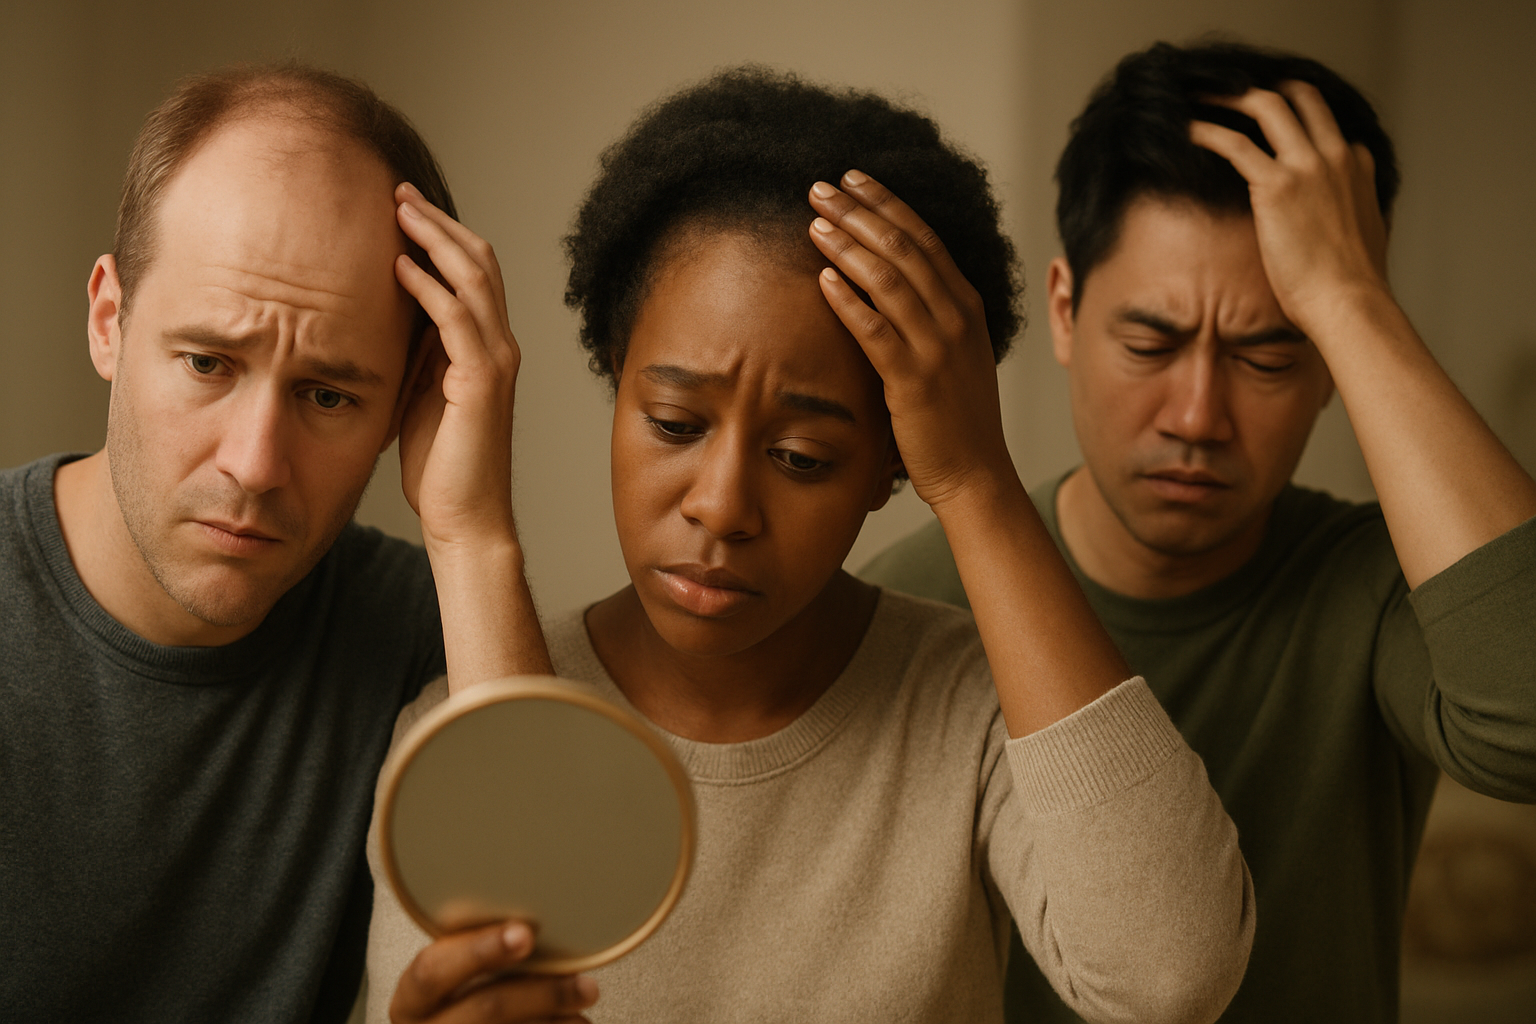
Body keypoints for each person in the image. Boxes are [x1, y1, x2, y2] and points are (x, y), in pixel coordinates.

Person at [364, 67, 1255, 1024]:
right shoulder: (456, 723)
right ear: (616, 387)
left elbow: (1172, 979)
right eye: (672, 423)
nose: (721, 506)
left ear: (890, 464)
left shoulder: (977, 713)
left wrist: (977, 481)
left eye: (802, 455)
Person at [860, 40, 1536, 1023]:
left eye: (1270, 352)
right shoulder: (915, 599)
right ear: (1063, 310)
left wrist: (1350, 298)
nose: (1197, 415)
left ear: (1334, 362)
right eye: (1150, 342)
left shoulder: (1378, 590)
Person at [0, 63, 549, 1022]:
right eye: (209, 362)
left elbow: (552, 941)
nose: (256, 465)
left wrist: (474, 534)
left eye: (330, 395)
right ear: (109, 319)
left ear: (407, 401)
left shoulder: (420, 631)